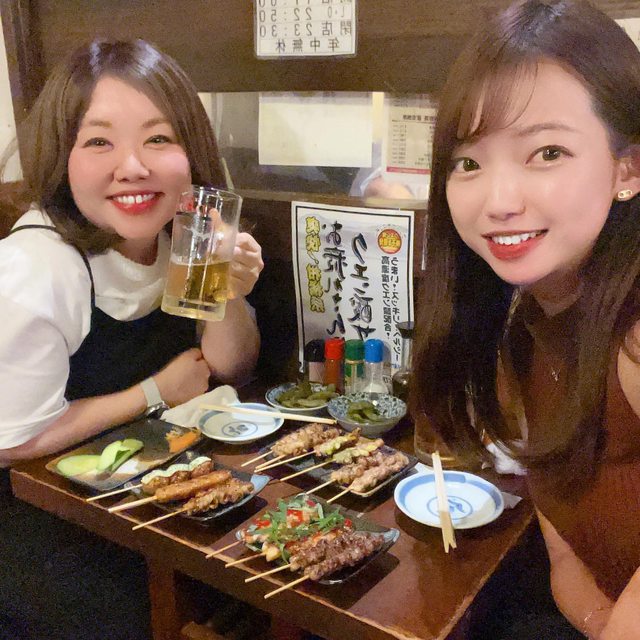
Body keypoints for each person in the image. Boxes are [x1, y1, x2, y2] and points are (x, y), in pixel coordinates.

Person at [0, 38, 263, 639]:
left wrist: (226, 286)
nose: (133, 167)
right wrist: (155, 391)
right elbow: (11, 441)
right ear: (62, 157)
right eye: (99, 142)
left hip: (144, 490)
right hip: (37, 516)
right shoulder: (38, 268)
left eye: (158, 138)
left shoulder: (182, 232)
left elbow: (230, 366)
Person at [412, 1, 640, 638]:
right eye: (468, 162)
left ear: (628, 167)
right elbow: (566, 556)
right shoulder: (526, 329)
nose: (499, 200)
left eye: (547, 152)